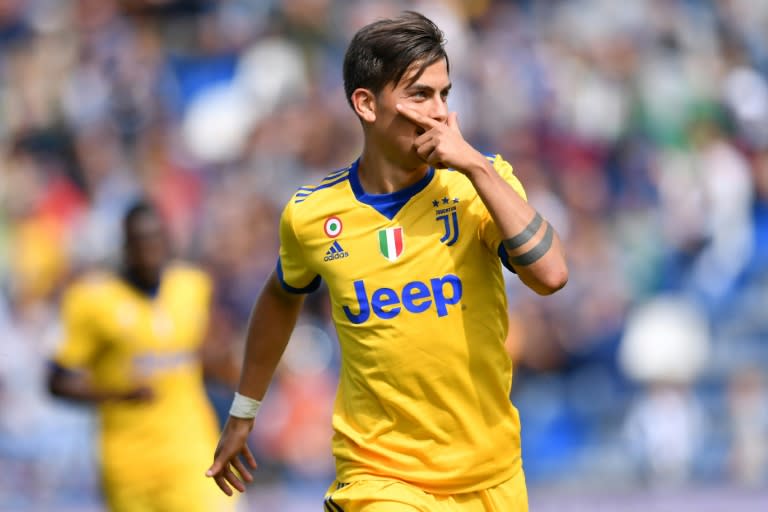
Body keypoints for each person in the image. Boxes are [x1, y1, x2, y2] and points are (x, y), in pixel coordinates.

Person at [206, 10, 568, 512]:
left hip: (492, 477)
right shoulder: (312, 215)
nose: (439, 111)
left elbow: (551, 275)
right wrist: (244, 412)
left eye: (445, 94)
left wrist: (477, 166)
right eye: (420, 94)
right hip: (380, 478)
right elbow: (282, 295)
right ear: (366, 104)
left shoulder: (477, 186)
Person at [47, 200, 236, 512]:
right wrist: (119, 394)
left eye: (156, 240)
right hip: (128, 461)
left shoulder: (192, 287)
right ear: (125, 247)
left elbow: (212, 354)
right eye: (140, 241)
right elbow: (56, 381)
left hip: (190, 450)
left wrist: (226, 367)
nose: (149, 250)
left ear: (168, 242)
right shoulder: (92, 301)